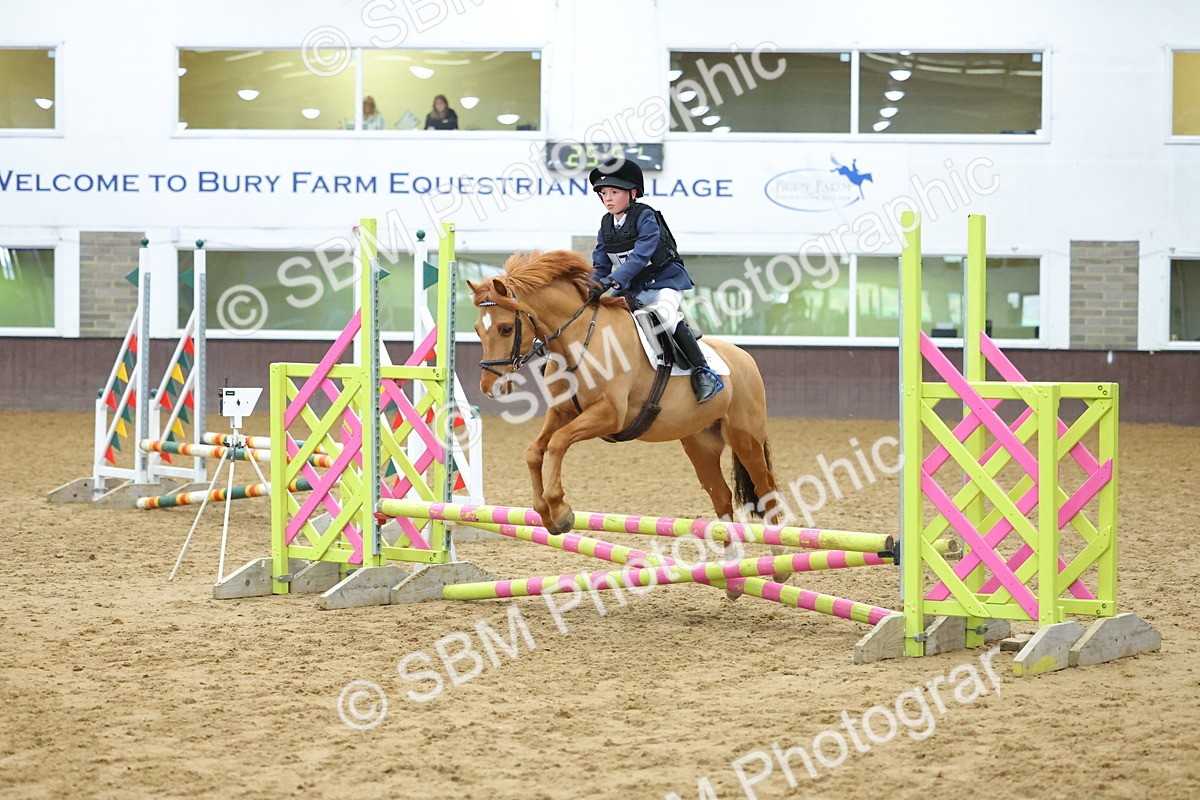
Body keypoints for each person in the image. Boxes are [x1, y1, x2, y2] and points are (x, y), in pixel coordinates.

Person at [587, 157, 724, 403]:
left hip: (665, 282)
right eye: (603, 193)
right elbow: (600, 263)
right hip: (633, 289)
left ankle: (704, 373)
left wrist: (611, 281)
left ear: (633, 193)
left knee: (667, 319)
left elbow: (640, 257)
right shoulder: (606, 224)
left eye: (614, 192)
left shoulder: (645, 216)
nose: (607, 198)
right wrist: (589, 286)